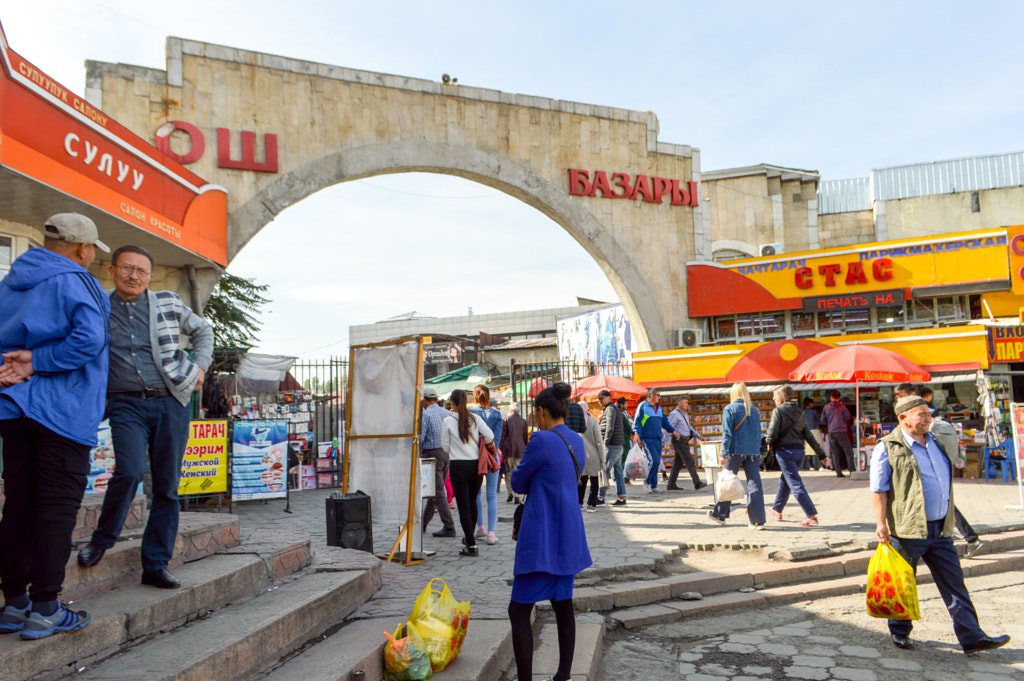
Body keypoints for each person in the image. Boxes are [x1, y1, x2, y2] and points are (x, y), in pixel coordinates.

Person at [0, 213, 110, 640]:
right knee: (56, 509)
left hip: (14, 407)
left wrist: (20, 365)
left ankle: (14, 604)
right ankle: (46, 606)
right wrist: (40, 362)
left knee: (19, 505)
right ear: (83, 248)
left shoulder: (11, 281)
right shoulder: (76, 280)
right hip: (62, 409)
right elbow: (89, 340)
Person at [78, 245, 213, 590]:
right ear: (112, 270)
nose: (133, 276)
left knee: (166, 486)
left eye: (141, 270)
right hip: (124, 403)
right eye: (127, 268)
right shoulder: (99, 305)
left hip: (171, 401)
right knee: (130, 470)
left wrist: (200, 366)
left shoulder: (167, 301)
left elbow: (203, 330)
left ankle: (155, 565)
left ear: (149, 276)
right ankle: (101, 540)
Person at [871, 395, 1010, 654]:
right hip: (908, 528)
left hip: (941, 529)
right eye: (920, 414)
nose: (927, 418)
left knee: (954, 582)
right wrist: (881, 524)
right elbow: (879, 490)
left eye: (928, 414)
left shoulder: (935, 442)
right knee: (903, 583)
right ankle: (900, 632)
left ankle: (972, 638)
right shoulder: (887, 447)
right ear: (903, 418)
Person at [508, 382, 592, 681]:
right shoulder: (577, 440)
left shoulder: (541, 440)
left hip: (541, 535)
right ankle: (563, 673)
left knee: (518, 611)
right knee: (563, 605)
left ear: (542, 411)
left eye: (536, 414)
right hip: (567, 533)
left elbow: (518, 483)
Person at [897, 384, 984, 559]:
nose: (899, 399)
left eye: (901, 395)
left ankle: (970, 538)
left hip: (931, 467)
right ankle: (970, 538)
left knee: (945, 502)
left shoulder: (923, 415)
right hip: (927, 470)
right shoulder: (915, 414)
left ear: (913, 394)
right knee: (945, 502)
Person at [441, 389, 494, 557]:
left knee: (463, 506)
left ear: (453, 403)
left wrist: (455, 451)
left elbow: (444, 446)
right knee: (472, 503)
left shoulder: (448, 421)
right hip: (475, 466)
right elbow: (489, 435)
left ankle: (471, 545)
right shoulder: (475, 418)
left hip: (458, 466)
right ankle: (469, 537)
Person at [767, 385, 829, 526]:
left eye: (775, 396)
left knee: (795, 483)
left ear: (782, 397)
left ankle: (811, 516)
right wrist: (822, 455)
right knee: (786, 480)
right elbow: (808, 435)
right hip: (799, 453)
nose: (773, 398)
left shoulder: (778, 411)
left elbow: (772, 432)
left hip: (784, 452)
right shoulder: (800, 412)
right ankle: (777, 510)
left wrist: (768, 443)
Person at [708, 383, 765, 529]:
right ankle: (757, 520)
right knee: (754, 483)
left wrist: (723, 453)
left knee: (727, 481)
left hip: (735, 451)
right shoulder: (754, 410)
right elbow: (758, 432)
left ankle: (720, 514)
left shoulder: (730, 409)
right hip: (752, 452)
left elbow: (727, 434)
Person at [419, 386, 456, 538]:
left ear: (425, 400)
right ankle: (423, 523)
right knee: (434, 490)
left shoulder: (426, 415)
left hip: (432, 454)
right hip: (446, 453)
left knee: (438, 491)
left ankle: (449, 526)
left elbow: (421, 438)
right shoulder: (447, 413)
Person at [470, 385, 503, 545]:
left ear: (475, 396)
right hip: (491, 456)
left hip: (474, 456)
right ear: (488, 396)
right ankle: (491, 533)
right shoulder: (497, 414)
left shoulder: (470, 413)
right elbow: (496, 440)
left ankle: (480, 527)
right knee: (491, 495)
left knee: (476, 493)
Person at [632, 389, 678, 493]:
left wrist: (673, 431)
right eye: (658, 395)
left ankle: (653, 486)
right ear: (652, 396)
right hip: (647, 438)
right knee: (654, 461)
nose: (659, 397)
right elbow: (637, 421)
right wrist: (636, 433)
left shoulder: (659, 408)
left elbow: (665, 422)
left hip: (658, 438)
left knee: (657, 463)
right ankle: (647, 482)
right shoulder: (643, 406)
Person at [666, 395, 707, 491]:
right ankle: (697, 483)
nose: (687, 405)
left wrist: (698, 436)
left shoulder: (684, 413)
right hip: (679, 440)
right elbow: (668, 428)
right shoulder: (674, 414)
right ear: (679, 403)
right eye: (685, 403)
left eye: (687, 403)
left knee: (678, 463)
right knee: (689, 461)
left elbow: (689, 427)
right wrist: (666, 443)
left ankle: (671, 484)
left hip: (684, 440)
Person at [596, 390, 627, 506]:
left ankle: (600, 498)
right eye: (599, 399)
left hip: (612, 445)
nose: (600, 401)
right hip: (617, 445)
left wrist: (605, 443)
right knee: (618, 472)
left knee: (604, 471)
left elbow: (610, 427)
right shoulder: (611, 409)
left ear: (608, 398)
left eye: (602, 398)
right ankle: (622, 497)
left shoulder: (610, 409)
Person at [820, 390, 855, 477]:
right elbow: (848, 417)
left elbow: (822, 421)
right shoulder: (842, 407)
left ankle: (838, 472)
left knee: (835, 452)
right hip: (841, 431)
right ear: (839, 398)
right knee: (848, 451)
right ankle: (852, 470)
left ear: (831, 397)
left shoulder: (826, 407)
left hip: (831, 431)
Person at [500, 402, 529, 504]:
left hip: (508, 450)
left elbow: (503, 436)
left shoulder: (506, 420)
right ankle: (517, 495)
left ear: (510, 410)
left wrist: (500, 448)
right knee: (518, 471)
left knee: (508, 472)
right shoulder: (524, 421)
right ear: (519, 410)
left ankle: (510, 493)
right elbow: (525, 437)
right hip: (520, 450)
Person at [579, 407, 606, 512]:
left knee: (582, 480)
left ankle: (579, 503)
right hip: (594, 455)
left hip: (581, 455)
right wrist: (602, 457)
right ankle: (591, 504)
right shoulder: (593, 422)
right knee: (594, 481)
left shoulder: (577, 422)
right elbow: (599, 442)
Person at [802, 397, 822, 471]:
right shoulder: (814, 412)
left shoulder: (802, 412)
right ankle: (820, 465)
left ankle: (811, 466)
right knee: (817, 447)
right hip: (815, 430)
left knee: (808, 449)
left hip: (805, 431)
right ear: (810, 404)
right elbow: (819, 420)